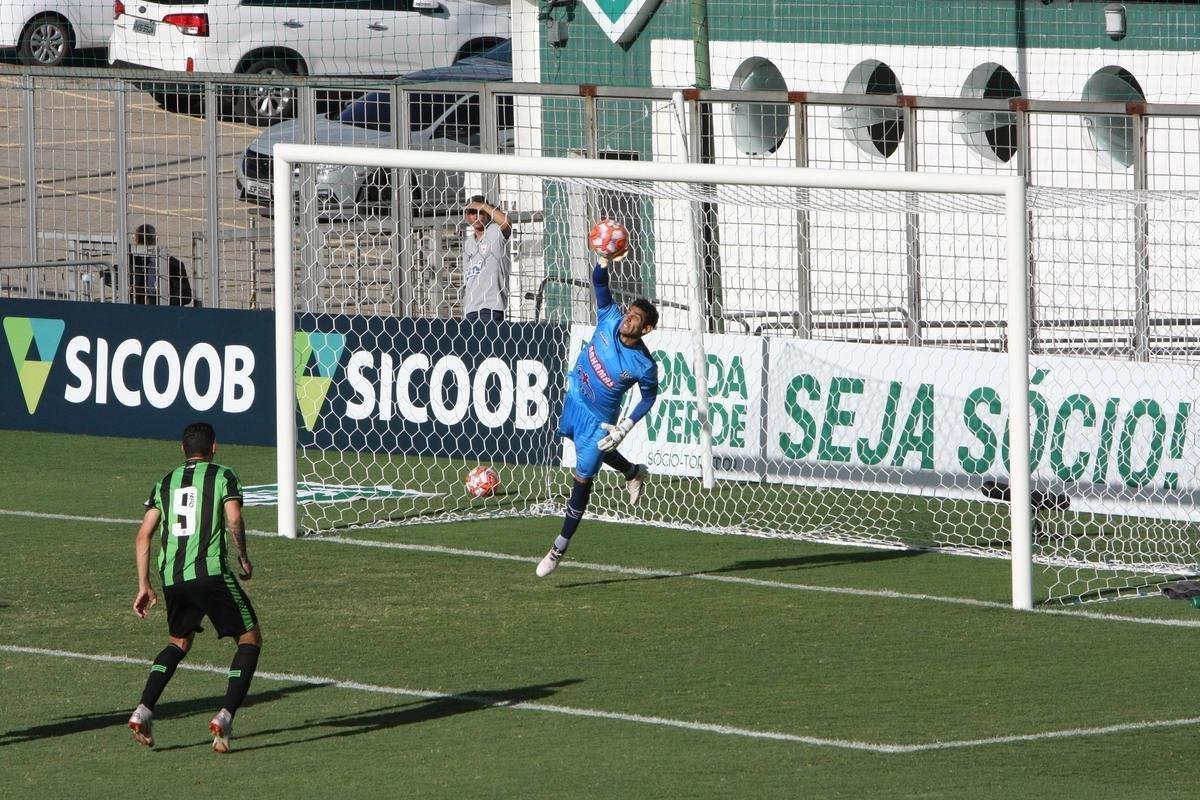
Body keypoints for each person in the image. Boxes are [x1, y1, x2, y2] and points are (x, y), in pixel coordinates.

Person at [126, 422, 261, 754]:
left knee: (178, 642)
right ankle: (226, 716)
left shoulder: (165, 482)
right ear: (214, 447)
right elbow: (233, 518)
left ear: (181, 449)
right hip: (211, 573)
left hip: (172, 578)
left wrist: (144, 585)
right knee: (249, 638)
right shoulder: (223, 475)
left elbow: (143, 535)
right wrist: (243, 557)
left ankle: (143, 709)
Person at [536, 235, 659, 577]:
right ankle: (632, 471)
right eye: (629, 313)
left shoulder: (643, 365)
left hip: (598, 421)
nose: (628, 319)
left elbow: (649, 396)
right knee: (589, 450)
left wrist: (626, 426)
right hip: (575, 399)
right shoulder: (609, 318)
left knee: (582, 477)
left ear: (646, 329)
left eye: (636, 319)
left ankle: (558, 547)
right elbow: (600, 284)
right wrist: (603, 260)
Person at [462, 195, 511, 321]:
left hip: (491, 306)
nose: (476, 216)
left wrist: (483, 206)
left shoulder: (495, 232)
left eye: (480, 212)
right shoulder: (468, 243)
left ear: (487, 214)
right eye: (472, 212)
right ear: (467, 216)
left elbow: (507, 222)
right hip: (471, 309)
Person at [130, 224, 194, 306]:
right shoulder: (131, 262)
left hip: (165, 310)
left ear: (135, 241)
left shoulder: (173, 264)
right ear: (156, 239)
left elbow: (185, 296)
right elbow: (110, 275)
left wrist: (161, 300)